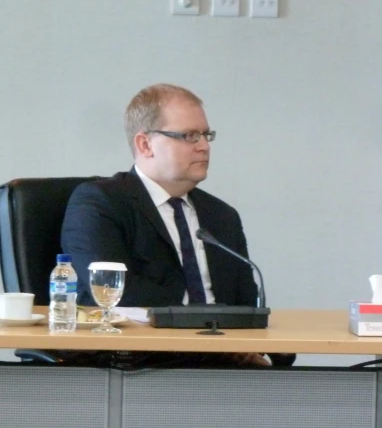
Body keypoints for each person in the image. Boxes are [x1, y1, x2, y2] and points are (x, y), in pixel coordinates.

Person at [62, 83, 283, 367]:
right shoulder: (99, 203)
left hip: (225, 357)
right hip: (138, 361)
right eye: (189, 136)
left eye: (206, 135)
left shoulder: (221, 215)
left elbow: (245, 301)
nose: (204, 146)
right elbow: (112, 291)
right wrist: (202, 322)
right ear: (145, 144)